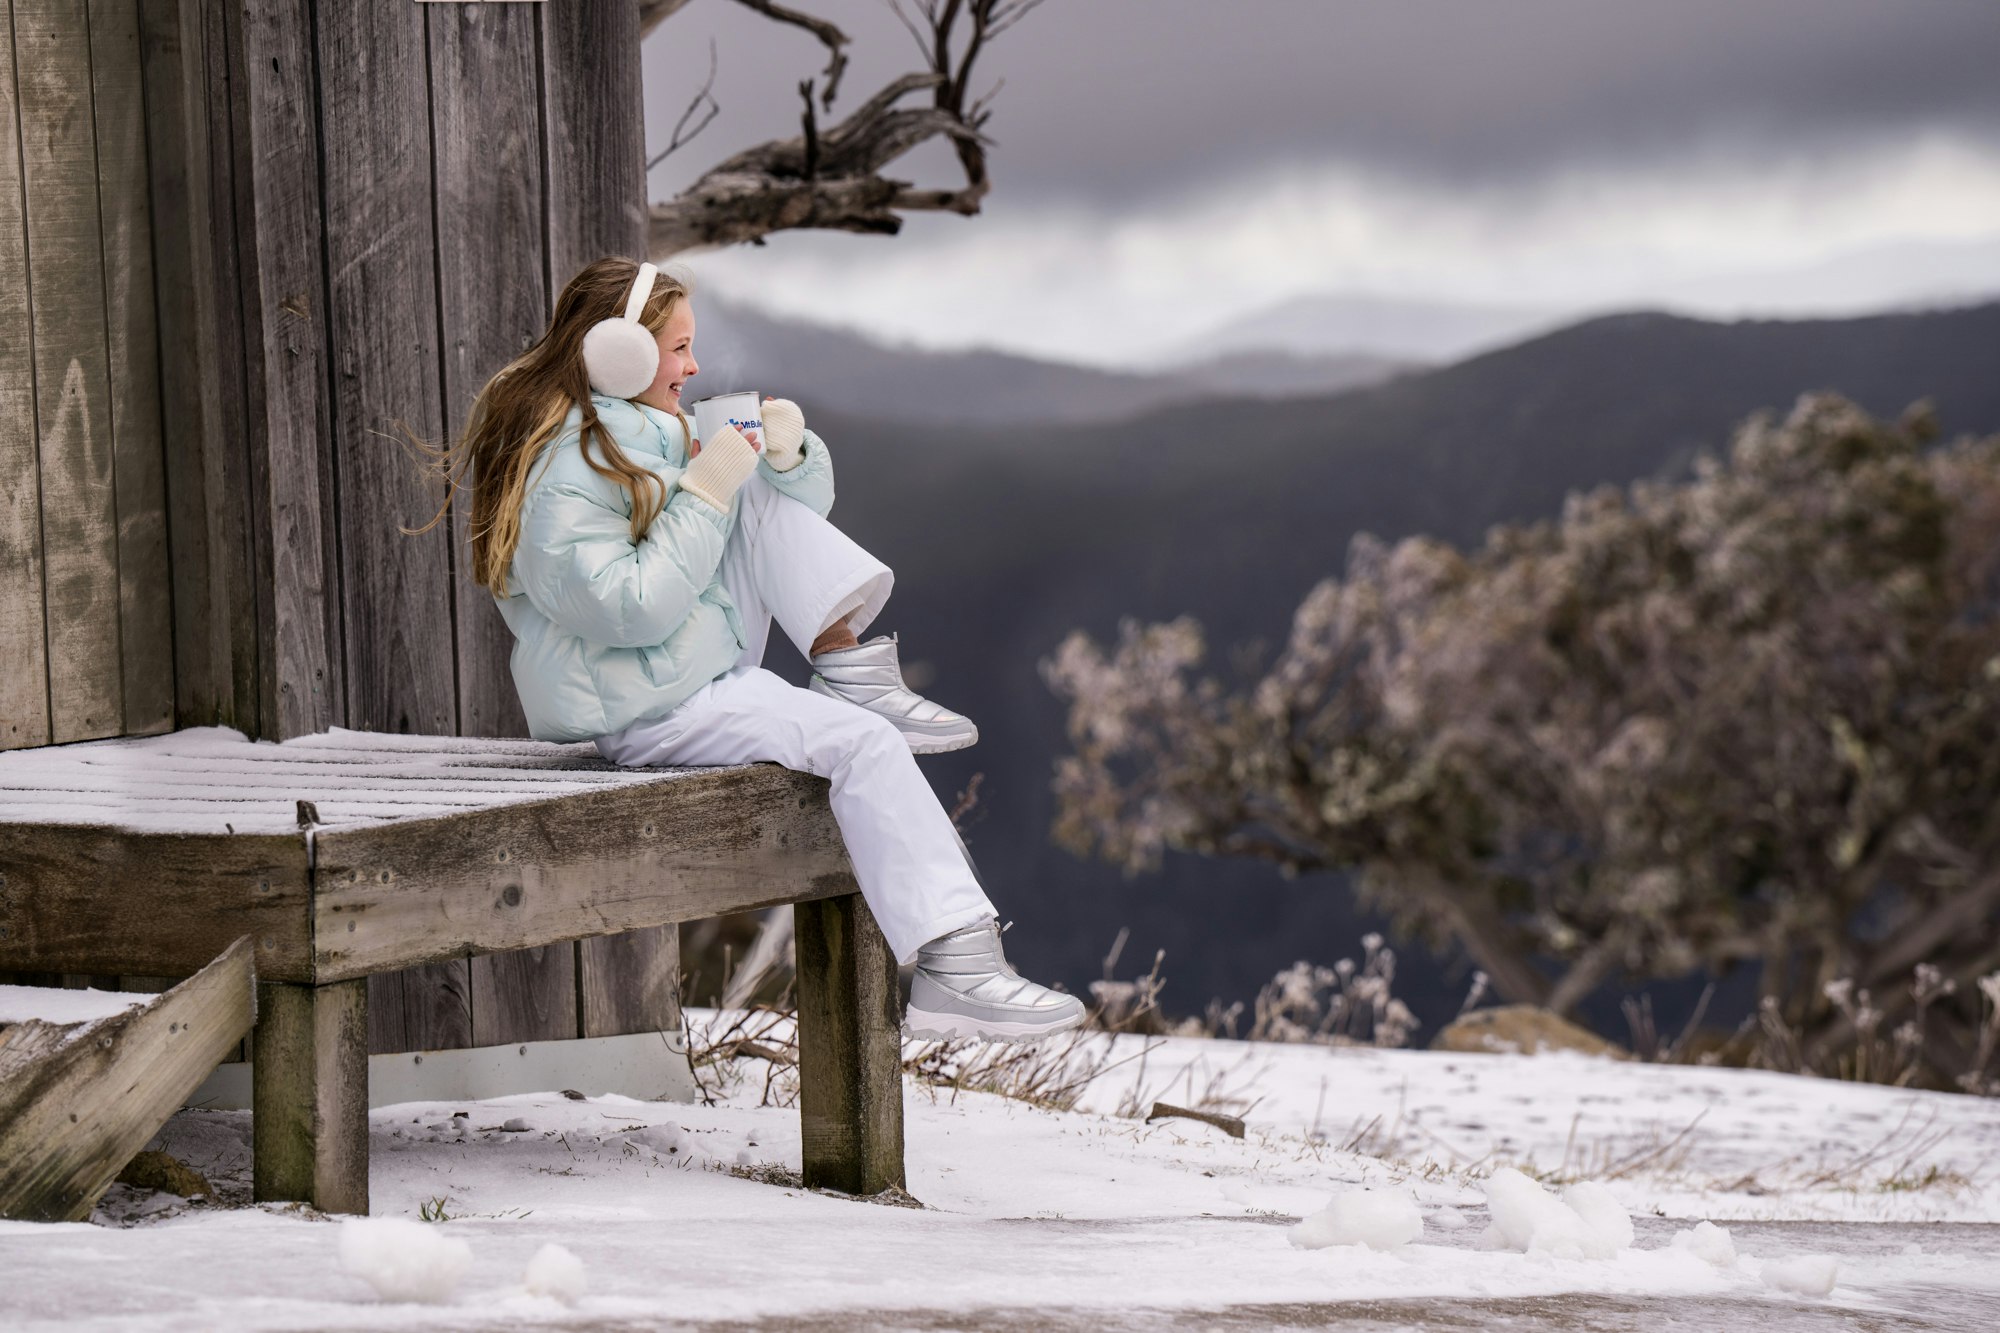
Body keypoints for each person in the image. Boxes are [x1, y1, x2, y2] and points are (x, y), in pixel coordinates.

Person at [426, 255, 1083, 1042]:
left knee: (753, 486)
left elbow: (780, 527)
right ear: (619, 353)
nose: (694, 366)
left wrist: (786, 460)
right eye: (678, 348)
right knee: (866, 746)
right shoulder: (563, 471)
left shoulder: (644, 430)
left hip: (685, 663)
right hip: (647, 706)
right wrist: (708, 490)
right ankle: (957, 971)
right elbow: (629, 608)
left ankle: (847, 666)